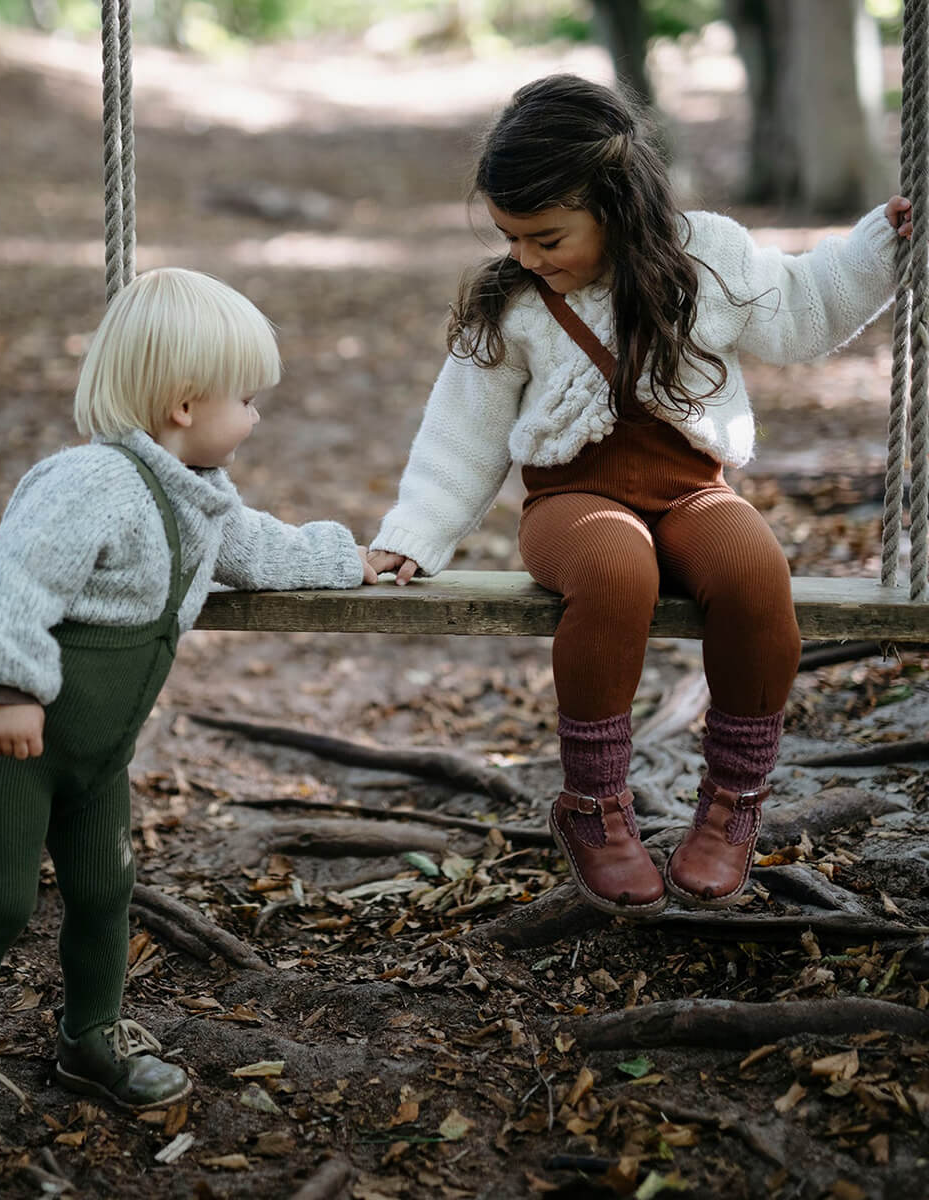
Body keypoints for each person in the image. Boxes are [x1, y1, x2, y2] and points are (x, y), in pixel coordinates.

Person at [368, 74, 912, 919]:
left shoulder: (710, 259)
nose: (525, 256)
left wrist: (881, 244)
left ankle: (733, 802)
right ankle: (594, 807)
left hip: (692, 489)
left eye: (546, 237)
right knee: (619, 570)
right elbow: (460, 432)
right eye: (512, 236)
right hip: (570, 504)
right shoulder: (512, 300)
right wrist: (416, 531)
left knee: (755, 570)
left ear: (617, 205)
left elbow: (805, 311)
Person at [0, 267, 377, 1150]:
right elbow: (17, 576)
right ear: (185, 405)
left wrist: (354, 559)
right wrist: (8, 689)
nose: (258, 414)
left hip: (98, 759)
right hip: (19, 742)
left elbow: (262, 549)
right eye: (248, 397)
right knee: (0, 904)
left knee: (106, 889)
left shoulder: (200, 493)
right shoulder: (89, 482)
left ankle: (89, 1037)